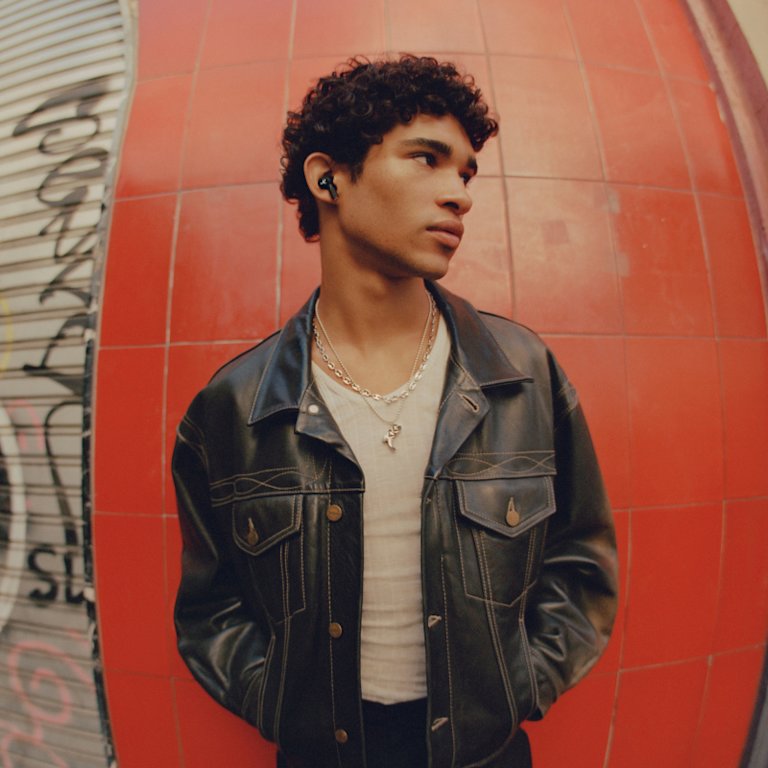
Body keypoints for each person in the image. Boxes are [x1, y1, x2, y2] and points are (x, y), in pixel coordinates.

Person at [173, 55, 618, 768]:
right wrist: (278, 702)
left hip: (486, 753)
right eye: (427, 159)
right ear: (329, 179)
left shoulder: (522, 376)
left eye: (466, 173)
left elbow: (582, 563)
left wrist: (520, 685)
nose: (459, 195)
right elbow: (210, 608)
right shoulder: (236, 406)